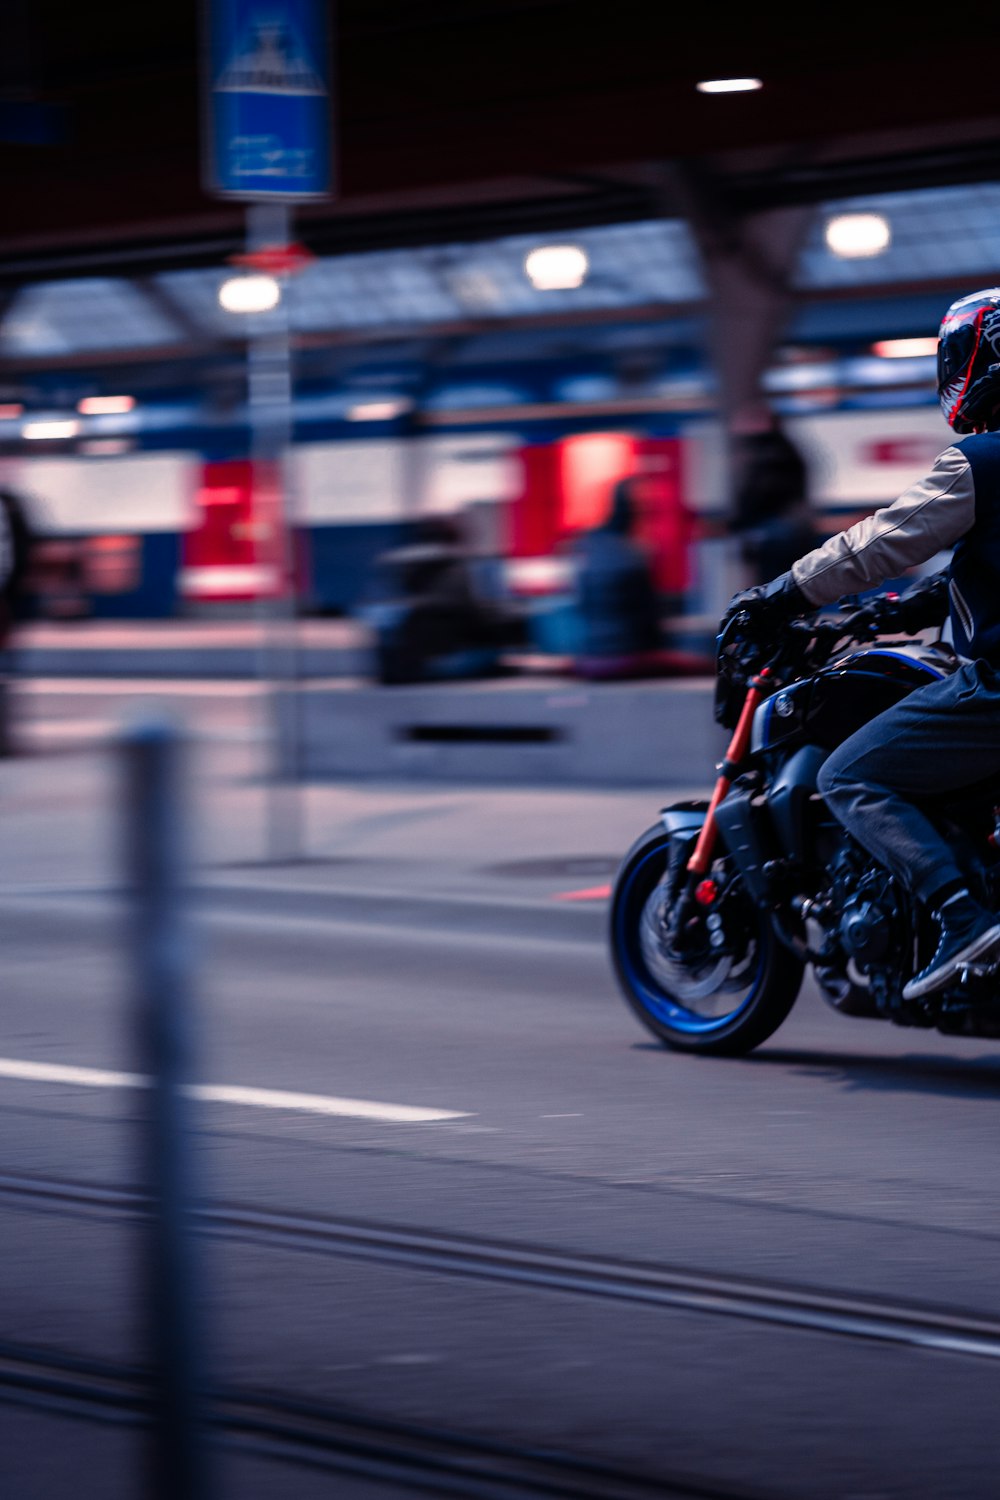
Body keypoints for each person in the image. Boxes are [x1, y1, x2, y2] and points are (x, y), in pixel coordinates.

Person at [720, 287, 1000, 1002]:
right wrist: (888, 613)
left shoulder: (983, 462)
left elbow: (878, 541)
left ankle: (961, 917)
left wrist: (776, 597)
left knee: (849, 776)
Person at [570, 476, 663, 677]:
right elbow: (647, 619)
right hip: (626, 654)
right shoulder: (633, 553)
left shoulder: (589, 545)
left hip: (591, 652)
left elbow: (580, 605)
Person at [729, 412, 817, 585]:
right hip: (787, 526)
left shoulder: (770, 454)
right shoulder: (784, 449)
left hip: (775, 527)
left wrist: (741, 520)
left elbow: (762, 491)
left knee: (773, 583)